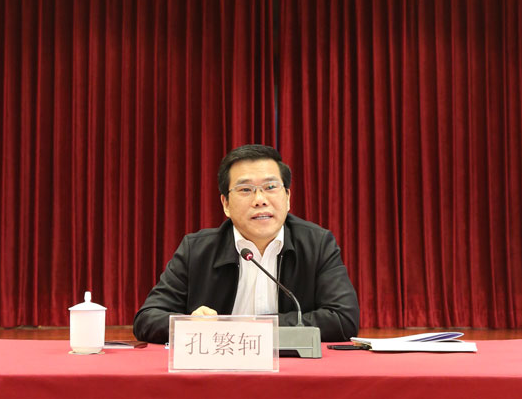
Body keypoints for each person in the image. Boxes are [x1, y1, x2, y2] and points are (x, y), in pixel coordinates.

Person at [133, 144, 359, 343]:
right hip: (219, 367)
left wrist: (248, 327)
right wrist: (189, 324)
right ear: (225, 204)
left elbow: (343, 319)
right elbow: (147, 319)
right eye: (245, 190)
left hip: (292, 367)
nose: (260, 200)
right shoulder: (197, 250)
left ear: (288, 197)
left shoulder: (317, 244)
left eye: (270, 187)